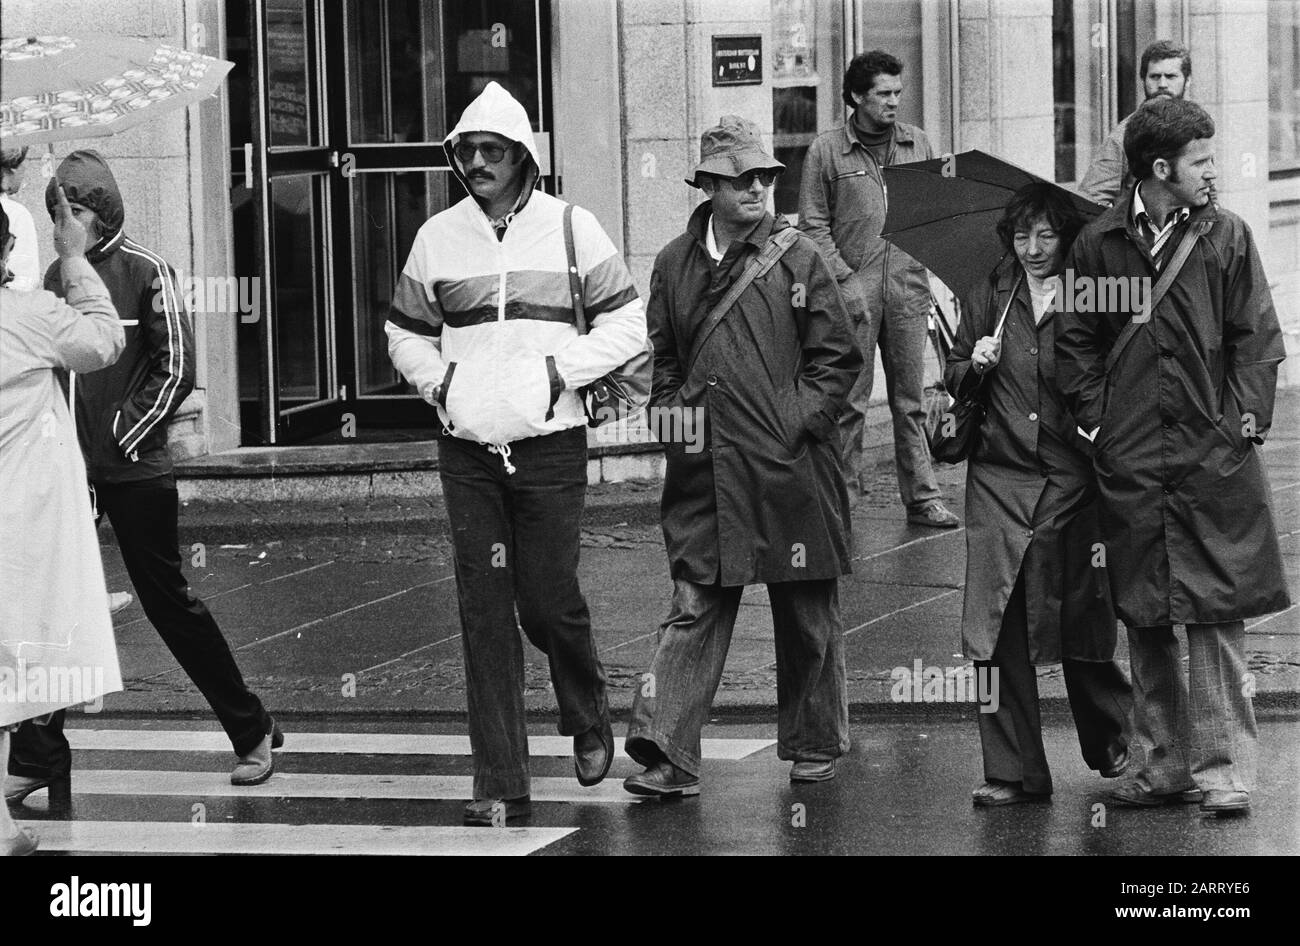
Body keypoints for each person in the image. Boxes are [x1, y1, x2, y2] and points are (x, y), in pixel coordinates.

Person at [385, 81, 646, 825]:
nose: (476, 163)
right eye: (466, 151)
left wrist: (560, 374)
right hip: (468, 451)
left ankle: (586, 709)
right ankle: (500, 777)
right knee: (482, 610)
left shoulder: (572, 228)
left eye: (492, 151)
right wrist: (444, 387)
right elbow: (403, 331)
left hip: (551, 445)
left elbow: (629, 325)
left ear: (524, 158)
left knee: (546, 599)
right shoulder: (438, 236)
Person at [6, 151, 283, 806]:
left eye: (73, 211)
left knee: (169, 604)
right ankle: (42, 755)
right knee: (53, 607)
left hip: (136, 470)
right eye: (55, 212)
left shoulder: (148, 270)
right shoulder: (52, 277)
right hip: (73, 470)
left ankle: (252, 728)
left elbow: (177, 365)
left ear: (102, 211)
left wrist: (122, 437)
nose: (63, 223)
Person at [1056, 98, 1289, 815]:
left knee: (1217, 612)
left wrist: (1242, 424)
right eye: (1201, 161)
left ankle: (1224, 772)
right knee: (1147, 613)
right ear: (1161, 168)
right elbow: (1077, 343)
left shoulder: (1226, 238)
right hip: (1132, 461)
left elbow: (1255, 336)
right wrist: (1100, 428)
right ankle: (1165, 768)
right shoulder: (1100, 244)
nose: (1213, 171)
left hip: (1209, 454)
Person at [623, 116, 862, 796]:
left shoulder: (797, 256)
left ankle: (816, 741)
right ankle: (668, 749)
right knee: (695, 603)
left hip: (790, 466)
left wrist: (792, 421)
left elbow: (837, 356)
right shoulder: (673, 262)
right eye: (742, 178)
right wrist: (674, 420)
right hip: (706, 469)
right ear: (708, 186)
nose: (758, 187)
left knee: (807, 608)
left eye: (764, 176)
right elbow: (662, 358)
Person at [946, 183, 1133, 807]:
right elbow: (950, 372)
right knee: (994, 626)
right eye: (1022, 235)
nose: (1032, 248)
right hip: (999, 477)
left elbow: (1121, 365)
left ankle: (1115, 746)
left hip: (1071, 477)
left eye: (1046, 235)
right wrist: (972, 362)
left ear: (1066, 237)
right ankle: (1012, 770)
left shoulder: (1090, 291)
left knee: (1081, 614)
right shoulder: (989, 291)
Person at [1, 192, 125, 855]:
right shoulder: (28, 316)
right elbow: (103, 340)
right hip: (22, 520)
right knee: (15, 660)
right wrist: (74, 258)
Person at [799, 50, 959, 528]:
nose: (894, 102)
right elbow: (812, 226)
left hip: (908, 289)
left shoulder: (919, 143)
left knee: (911, 400)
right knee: (849, 403)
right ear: (856, 97)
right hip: (851, 295)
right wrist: (844, 279)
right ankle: (842, 503)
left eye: (898, 93)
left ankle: (923, 497)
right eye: (884, 94)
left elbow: (933, 211)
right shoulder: (826, 151)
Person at [1078, 40, 1192, 206]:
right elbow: (1091, 199)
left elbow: (1208, 193)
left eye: (1171, 76)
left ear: (1187, 81)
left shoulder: (1195, 128)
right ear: (1143, 80)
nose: (1162, 84)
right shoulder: (1125, 134)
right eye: (1154, 77)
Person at [1, 147, 41, 292]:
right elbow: (26, 282)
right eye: (24, 160)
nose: (25, 167)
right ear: (11, 168)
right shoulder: (16, 214)